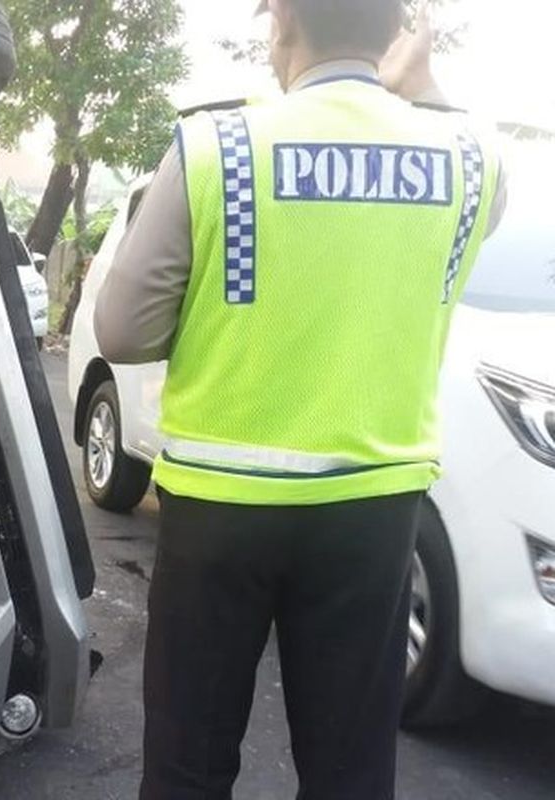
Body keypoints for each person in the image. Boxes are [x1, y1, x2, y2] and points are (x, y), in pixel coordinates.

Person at [93, 1, 507, 798]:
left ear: (281, 20)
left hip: (221, 506)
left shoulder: (220, 148)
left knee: (188, 760)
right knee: (350, 767)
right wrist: (425, 87)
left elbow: (123, 330)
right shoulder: (469, 154)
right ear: (396, 31)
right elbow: (474, 208)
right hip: (374, 512)